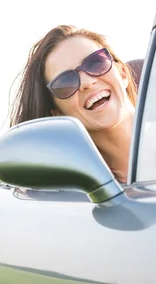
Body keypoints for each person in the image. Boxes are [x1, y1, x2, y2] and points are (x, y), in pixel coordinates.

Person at [9, 25, 138, 183]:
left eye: (96, 62)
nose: (87, 82)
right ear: (57, 113)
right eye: (65, 82)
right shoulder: (76, 191)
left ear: (123, 73)